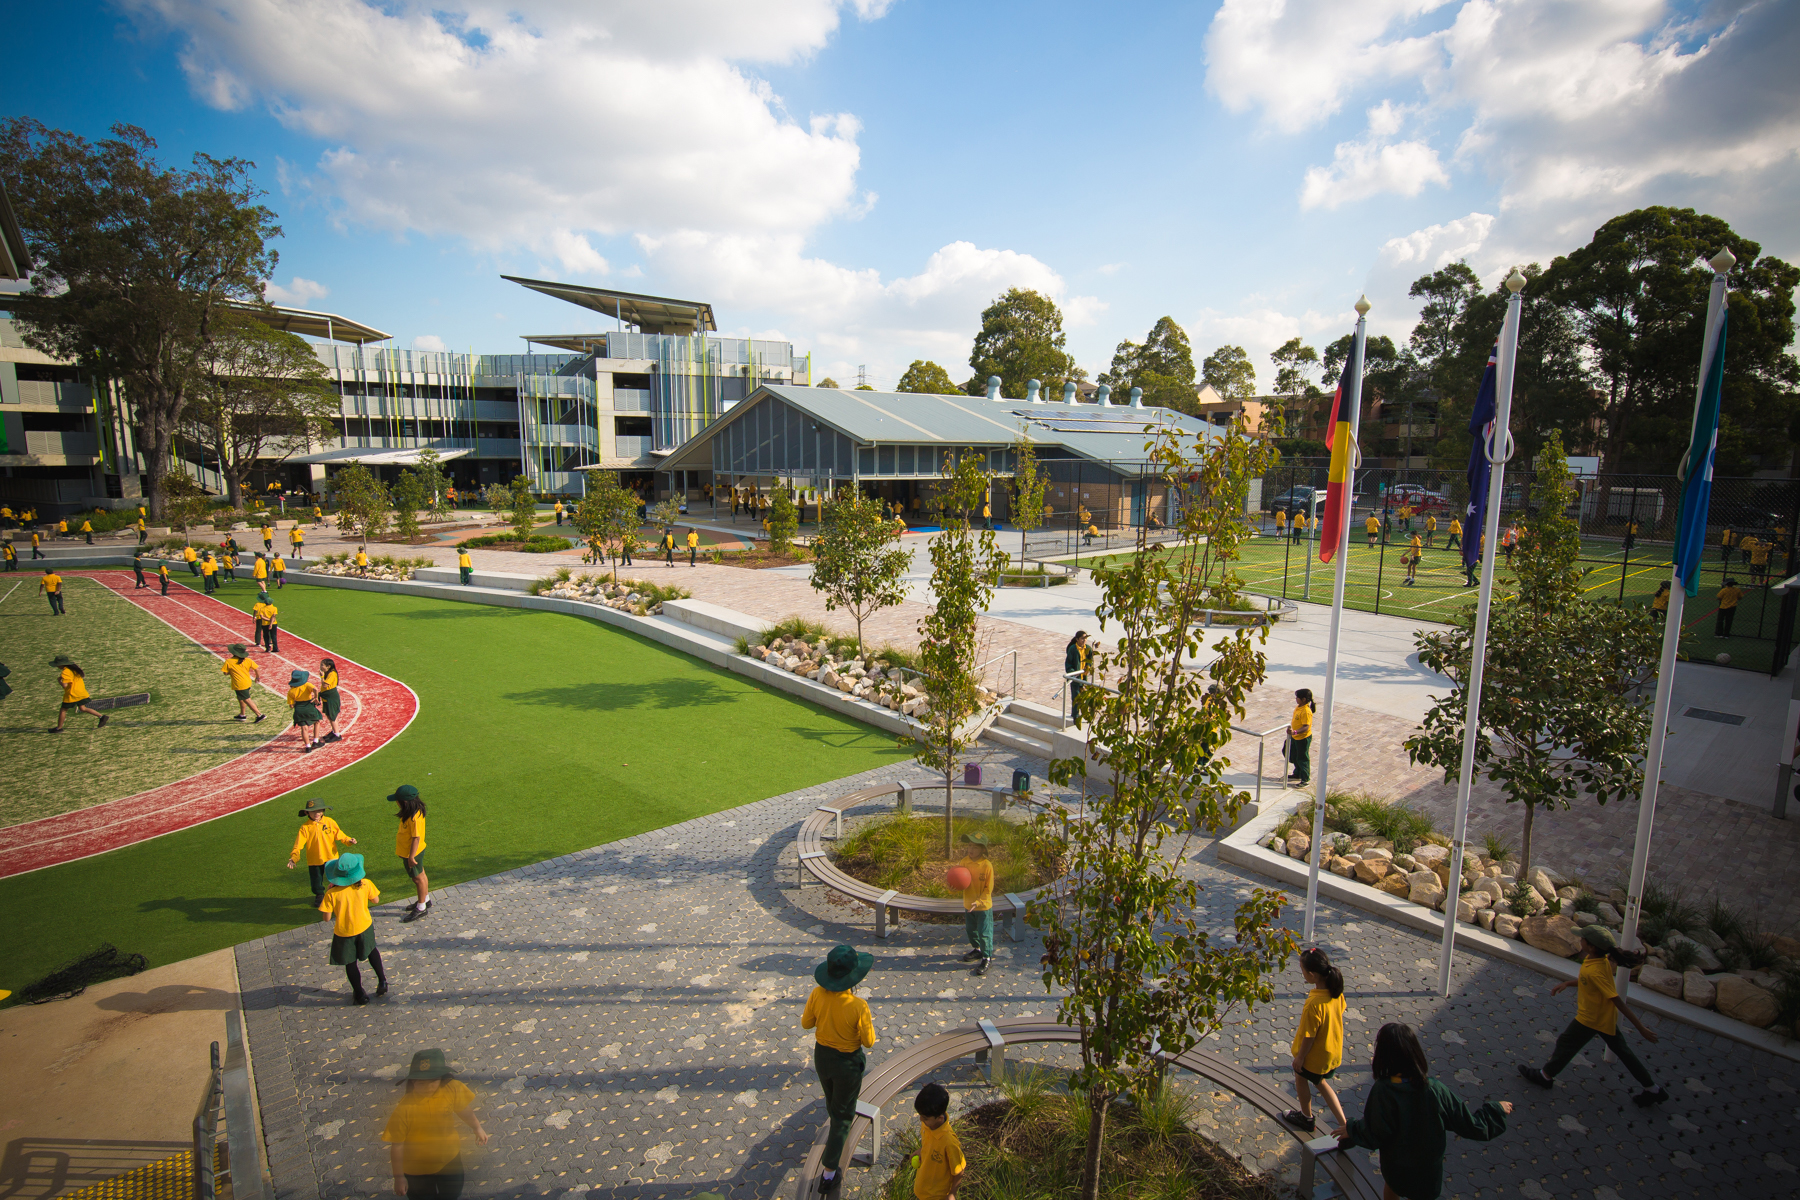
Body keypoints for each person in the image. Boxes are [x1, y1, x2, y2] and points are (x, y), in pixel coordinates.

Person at [1338, 1023, 1510, 1200]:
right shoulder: (1435, 1090)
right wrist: (1496, 1110)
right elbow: (1469, 1124)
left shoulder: (1383, 1090)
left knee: (1392, 1188)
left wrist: (1351, 1129)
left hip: (1396, 1168)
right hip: (1427, 1172)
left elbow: (1375, 1131)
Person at [1519, 924, 1667, 1106]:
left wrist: (1640, 1028)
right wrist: (1569, 983)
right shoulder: (1600, 961)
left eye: (1582, 939)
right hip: (1605, 1019)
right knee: (1624, 1053)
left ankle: (1545, 1076)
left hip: (1590, 1019)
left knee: (1566, 1043)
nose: (1579, 940)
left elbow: (1617, 1000)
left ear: (1591, 946)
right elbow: (1587, 980)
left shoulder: (1595, 970)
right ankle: (1653, 1089)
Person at [801, 944, 876, 1195]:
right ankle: (829, 1172)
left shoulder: (816, 994)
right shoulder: (858, 1006)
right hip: (847, 1063)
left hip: (822, 1056)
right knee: (844, 1116)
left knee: (833, 1102)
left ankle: (834, 1135)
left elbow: (806, 1023)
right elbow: (868, 1041)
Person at [383, 1049, 488, 1200]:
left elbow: (463, 1109)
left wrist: (477, 1127)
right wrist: (399, 1177)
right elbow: (397, 1145)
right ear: (412, 1082)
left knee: (452, 1194)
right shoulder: (404, 1109)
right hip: (416, 1171)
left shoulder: (451, 1088)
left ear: (441, 1078)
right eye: (421, 1083)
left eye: (433, 1081)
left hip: (449, 1160)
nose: (427, 1087)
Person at [1284, 947, 1348, 1133]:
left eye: (1302, 970)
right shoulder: (1335, 993)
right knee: (1321, 1083)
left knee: (1300, 1077)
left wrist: (1300, 1058)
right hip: (1332, 1052)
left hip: (1314, 1057)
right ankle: (1344, 1124)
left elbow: (1309, 1036)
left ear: (1311, 975)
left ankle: (1306, 1117)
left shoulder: (1313, 1004)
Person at [317, 853, 388, 1004]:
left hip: (344, 932)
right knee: (372, 951)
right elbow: (376, 900)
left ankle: (359, 994)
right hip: (365, 926)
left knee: (350, 963)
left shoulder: (331, 894)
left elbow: (326, 918)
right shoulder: (365, 884)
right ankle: (382, 981)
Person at [288, 800, 356, 899]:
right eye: (313, 811)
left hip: (331, 857)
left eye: (319, 811)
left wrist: (349, 841)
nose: (317, 814)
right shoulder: (305, 827)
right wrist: (294, 857)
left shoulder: (330, 822)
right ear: (307, 813)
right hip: (314, 859)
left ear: (323, 811)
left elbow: (340, 835)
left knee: (336, 876)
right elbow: (298, 845)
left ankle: (339, 893)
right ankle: (319, 895)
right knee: (316, 880)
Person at [910, 1081, 965, 1200]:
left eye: (924, 1118)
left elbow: (959, 1170)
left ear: (939, 1118)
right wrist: (921, 1151)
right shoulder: (928, 1124)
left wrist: (952, 1194)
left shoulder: (949, 1142)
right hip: (922, 1189)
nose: (920, 1119)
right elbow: (929, 1144)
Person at [952, 834, 995, 976]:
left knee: (984, 933)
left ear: (982, 849)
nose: (971, 849)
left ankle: (986, 956)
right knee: (971, 930)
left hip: (983, 907)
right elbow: (959, 881)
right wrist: (952, 887)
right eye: (969, 845)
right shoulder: (964, 862)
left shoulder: (986, 865)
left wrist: (978, 902)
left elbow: (988, 889)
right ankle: (977, 950)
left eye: (975, 847)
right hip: (968, 905)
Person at [391, 784, 431, 921]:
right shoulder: (414, 812)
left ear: (405, 802)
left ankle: (421, 907)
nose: (396, 803)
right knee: (421, 874)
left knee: (417, 878)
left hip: (412, 853)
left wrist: (411, 856)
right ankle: (425, 899)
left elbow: (416, 838)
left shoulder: (414, 817)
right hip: (412, 851)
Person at [49, 655, 109, 732]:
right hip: (81, 693)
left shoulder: (65, 672)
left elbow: (65, 686)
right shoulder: (74, 669)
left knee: (63, 710)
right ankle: (101, 717)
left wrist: (59, 681)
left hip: (72, 695)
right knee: (83, 708)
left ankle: (59, 728)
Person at [221, 644, 266, 722]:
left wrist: (232, 672)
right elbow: (257, 669)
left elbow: (225, 673)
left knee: (247, 699)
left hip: (239, 684)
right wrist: (257, 677)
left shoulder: (229, 661)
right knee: (241, 698)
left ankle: (259, 715)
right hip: (247, 682)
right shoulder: (248, 660)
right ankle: (242, 714)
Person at [288, 669, 323, 751]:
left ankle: (308, 747)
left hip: (299, 710)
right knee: (317, 721)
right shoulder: (307, 685)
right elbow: (315, 689)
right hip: (309, 707)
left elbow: (291, 706)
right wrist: (315, 697)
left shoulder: (291, 691)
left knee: (304, 728)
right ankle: (315, 741)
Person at [1288, 688, 1315, 787]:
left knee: (1302, 758)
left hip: (1302, 738)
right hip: (1295, 737)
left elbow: (1306, 727)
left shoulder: (1306, 711)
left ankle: (1305, 778)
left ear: (1303, 699)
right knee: (1294, 755)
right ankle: (1297, 773)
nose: (1296, 699)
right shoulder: (1299, 707)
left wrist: (1295, 732)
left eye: (1297, 697)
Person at [1064, 630, 1091, 721]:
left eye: (1085, 638)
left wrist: (1088, 667)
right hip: (1075, 677)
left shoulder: (1088, 649)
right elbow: (1068, 663)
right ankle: (1075, 715)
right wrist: (1072, 672)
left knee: (1085, 695)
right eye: (1082, 638)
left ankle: (1086, 714)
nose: (1084, 640)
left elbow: (1090, 660)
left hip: (1084, 676)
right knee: (1076, 696)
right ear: (1077, 639)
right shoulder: (1073, 649)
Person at [319, 657, 344, 743]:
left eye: (322, 665)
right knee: (329, 715)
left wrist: (322, 676)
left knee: (332, 715)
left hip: (331, 697)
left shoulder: (332, 674)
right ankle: (334, 731)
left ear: (328, 666)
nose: (321, 666)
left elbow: (325, 685)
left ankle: (337, 734)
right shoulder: (328, 673)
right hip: (327, 697)